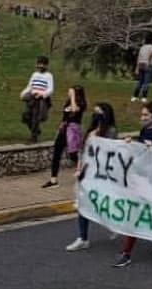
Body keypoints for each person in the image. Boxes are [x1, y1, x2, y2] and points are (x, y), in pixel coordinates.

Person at [113, 101, 152, 267]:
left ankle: (127, 252)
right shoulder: (145, 130)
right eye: (142, 115)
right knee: (137, 213)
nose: (142, 118)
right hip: (142, 179)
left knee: (147, 213)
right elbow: (140, 151)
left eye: (146, 115)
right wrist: (132, 144)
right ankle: (128, 250)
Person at [65, 102, 117, 251]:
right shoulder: (90, 131)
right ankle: (83, 238)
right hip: (86, 173)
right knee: (83, 205)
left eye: (99, 112)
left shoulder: (111, 131)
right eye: (95, 112)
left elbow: (110, 150)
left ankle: (113, 225)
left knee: (100, 204)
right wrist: (79, 166)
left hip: (101, 175)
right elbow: (83, 150)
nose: (96, 115)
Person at [43, 85, 86, 188]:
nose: (68, 93)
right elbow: (65, 115)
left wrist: (72, 97)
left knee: (72, 153)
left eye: (70, 92)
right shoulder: (68, 102)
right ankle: (53, 180)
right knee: (56, 153)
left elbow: (75, 110)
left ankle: (81, 169)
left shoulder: (81, 103)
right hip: (64, 129)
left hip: (73, 130)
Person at [20, 55, 54, 143]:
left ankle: (33, 137)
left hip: (40, 99)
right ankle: (36, 130)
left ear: (46, 65)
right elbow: (30, 86)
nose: (41, 66)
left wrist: (42, 94)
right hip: (32, 97)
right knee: (26, 116)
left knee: (36, 117)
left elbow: (50, 89)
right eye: (39, 64)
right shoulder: (34, 74)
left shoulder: (48, 76)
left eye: (43, 64)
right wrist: (23, 93)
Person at [131, 35, 152, 102]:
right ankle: (144, 97)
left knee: (140, 81)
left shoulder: (142, 47)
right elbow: (151, 54)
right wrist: (148, 61)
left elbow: (139, 57)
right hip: (148, 65)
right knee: (146, 82)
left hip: (140, 64)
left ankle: (135, 96)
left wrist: (137, 67)